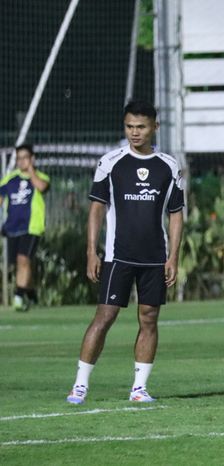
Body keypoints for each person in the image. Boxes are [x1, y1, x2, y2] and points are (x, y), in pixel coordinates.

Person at [66, 100, 185, 404]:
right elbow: (96, 209)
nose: (135, 132)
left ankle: (139, 388)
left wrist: (173, 256)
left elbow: (175, 214)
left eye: (141, 127)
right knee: (104, 317)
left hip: (155, 258)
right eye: (130, 126)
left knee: (149, 319)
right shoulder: (111, 162)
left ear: (154, 127)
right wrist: (91, 251)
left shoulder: (168, 166)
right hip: (117, 256)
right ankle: (80, 385)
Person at [0, 144, 50, 312]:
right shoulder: (10, 179)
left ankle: (18, 297)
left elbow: (42, 187)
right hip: (13, 227)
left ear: (32, 159)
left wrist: (31, 172)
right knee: (19, 265)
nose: (21, 161)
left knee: (24, 260)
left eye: (25, 158)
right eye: (19, 158)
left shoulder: (40, 177)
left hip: (31, 227)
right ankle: (31, 293)